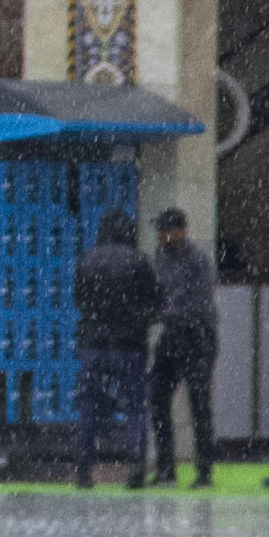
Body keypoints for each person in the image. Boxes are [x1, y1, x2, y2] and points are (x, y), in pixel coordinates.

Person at [72, 213, 159, 492]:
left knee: (89, 406)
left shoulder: (87, 259)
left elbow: (79, 299)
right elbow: (153, 299)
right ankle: (135, 465)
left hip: (93, 344)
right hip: (130, 344)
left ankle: (84, 467)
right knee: (135, 406)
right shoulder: (139, 261)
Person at [142, 206, 219, 490]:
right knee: (158, 398)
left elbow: (198, 305)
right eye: (160, 231)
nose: (161, 236)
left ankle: (204, 472)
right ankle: (166, 470)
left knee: (199, 405)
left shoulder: (198, 261)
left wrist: (164, 313)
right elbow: (156, 295)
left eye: (166, 230)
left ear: (181, 231)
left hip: (198, 338)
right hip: (172, 336)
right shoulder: (159, 258)